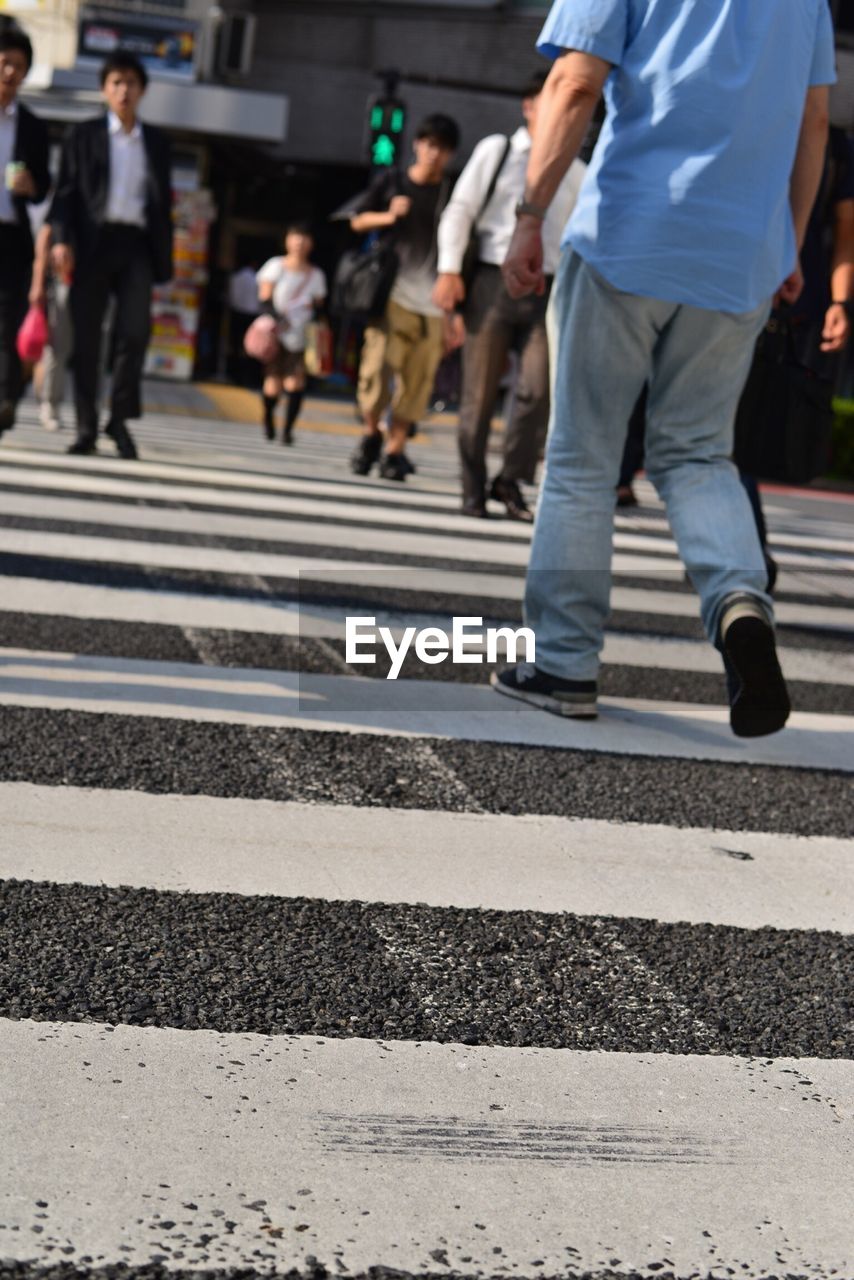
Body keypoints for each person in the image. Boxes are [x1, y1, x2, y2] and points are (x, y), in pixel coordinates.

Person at [493, 0, 834, 740]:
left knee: (582, 456)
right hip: (741, 254)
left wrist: (529, 217)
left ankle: (563, 664)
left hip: (630, 232)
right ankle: (740, 602)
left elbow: (575, 83)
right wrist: (788, 241)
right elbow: (814, 120)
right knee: (699, 453)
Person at [434, 72, 586, 520]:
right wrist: (448, 269)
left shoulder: (578, 170)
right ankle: (472, 486)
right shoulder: (498, 151)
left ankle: (512, 478)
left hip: (549, 286)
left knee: (539, 390)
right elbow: (460, 209)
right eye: (551, 99)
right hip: (491, 280)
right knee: (478, 394)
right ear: (529, 105)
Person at [740, 123, 854, 592]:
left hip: (794, 306)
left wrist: (840, 303)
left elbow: (848, 229)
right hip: (726, 288)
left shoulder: (834, 144)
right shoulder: (752, 104)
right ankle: (740, 548)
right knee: (718, 431)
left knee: (745, 431)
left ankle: (740, 549)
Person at [49, 50, 173, 459]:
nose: (123, 91)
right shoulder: (82, 136)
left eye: (131, 84)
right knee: (86, 340)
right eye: (116, 83)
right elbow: (64, 194)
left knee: (134, 333)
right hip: (91, 245)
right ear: (104, 89)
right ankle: (86, 426)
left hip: (136, 245)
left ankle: (118, 419)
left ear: (142, 91)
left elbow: (161, 203)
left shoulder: (156, 141)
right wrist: (62, 240)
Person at [349, 112, 462, 481]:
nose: (434, 154)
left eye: (442, 149)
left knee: (418, 382)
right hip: (392, 297)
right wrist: (387, 216)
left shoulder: (453, 193)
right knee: (376, 372)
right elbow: (356, 220)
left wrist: (454, 314)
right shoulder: (393, 181)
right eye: (429, 145)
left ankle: (394, 451)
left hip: (434, 303)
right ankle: (371, 434)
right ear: (417, 145)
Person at [0, 25, 49, 438]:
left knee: (8, 325)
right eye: (3, 60)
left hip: (11, 239)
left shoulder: (32, 126)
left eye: (17, 64)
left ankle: (6, 400)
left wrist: (33, 187)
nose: (8, 69)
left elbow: (45, 186)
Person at [256, 224, 326, 445]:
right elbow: (265, 298)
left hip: (301, 335)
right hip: (276, 333)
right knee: (273, 382)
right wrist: (280, 320)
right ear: (287, 240)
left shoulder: (316, 275)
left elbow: (319, 307)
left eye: (304, 238)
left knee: (295, 384)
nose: (299, 242)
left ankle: (287, 431)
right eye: (295, 237)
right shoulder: (275, 266)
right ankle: (268, 419)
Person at [29, 222, 73, 432]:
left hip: (70, 277)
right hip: (55, 275)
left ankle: (50, 402)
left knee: (59, 346)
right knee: (55, 346)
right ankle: (47, 402)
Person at [227, 258, 261, 387]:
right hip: (252, 317)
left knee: (236, 344)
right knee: (252, 347)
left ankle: (235, 374)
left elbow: (231, 298)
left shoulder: (235, 277)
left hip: (237, 314)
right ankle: (248, 377)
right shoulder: (257, 279)